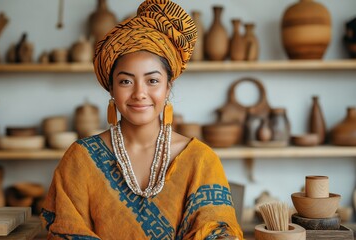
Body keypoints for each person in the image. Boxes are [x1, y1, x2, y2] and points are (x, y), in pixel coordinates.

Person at [41, 0, 243, 239]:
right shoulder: (80, 159)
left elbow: (218, 231)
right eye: (126, 81)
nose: (139, 93)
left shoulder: (200, 160)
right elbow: (64, 230)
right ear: (111, 89)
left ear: (168, 87)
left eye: (152, 80)